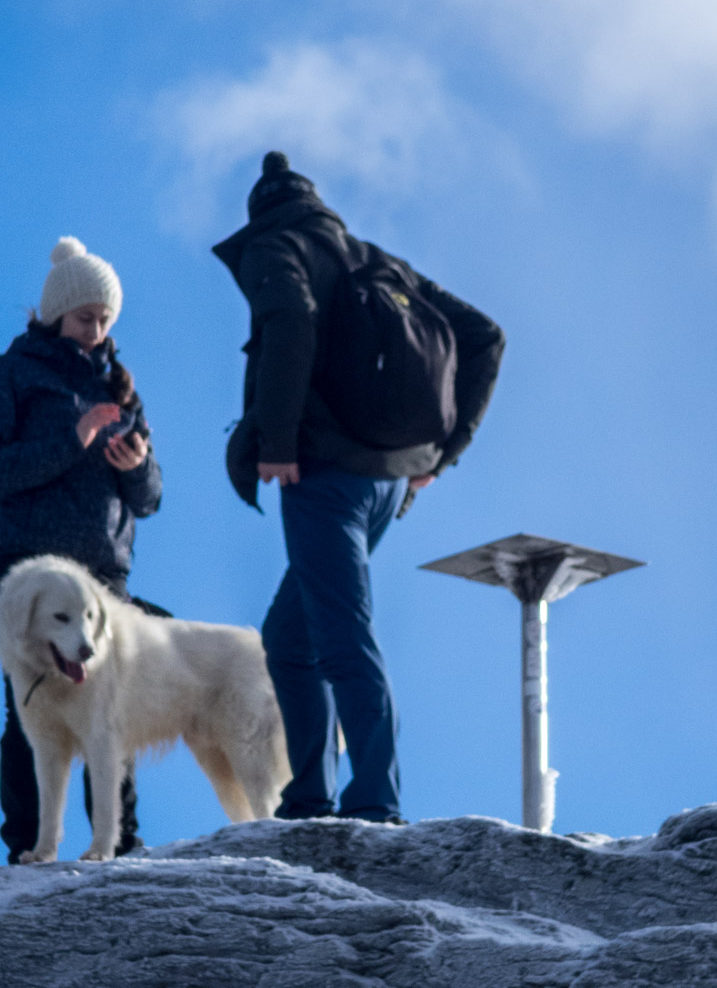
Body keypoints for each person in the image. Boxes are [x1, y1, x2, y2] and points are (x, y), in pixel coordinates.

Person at [212, 152, 504, 824]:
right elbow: (485, 337)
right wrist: (442, 454)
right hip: (387, 483)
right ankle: (309, 795)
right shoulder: (373, 258)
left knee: (342, 633)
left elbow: (288, 322)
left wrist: (278, 444)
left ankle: (375, 800)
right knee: (290, 636)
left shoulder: (276, 247)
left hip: (323, 474)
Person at [0, 236, 162, 863]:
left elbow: (150, 499)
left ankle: (119, 844)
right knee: (37, 700)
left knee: (109, 710)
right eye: (85, 317)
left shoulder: (121, 389)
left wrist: (136, 465)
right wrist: (71, 441)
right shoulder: (7, 374)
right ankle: (28, 846)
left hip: (104, 575)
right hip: (30, 573)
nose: (96, 330)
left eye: (105, 319)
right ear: (53, 314)